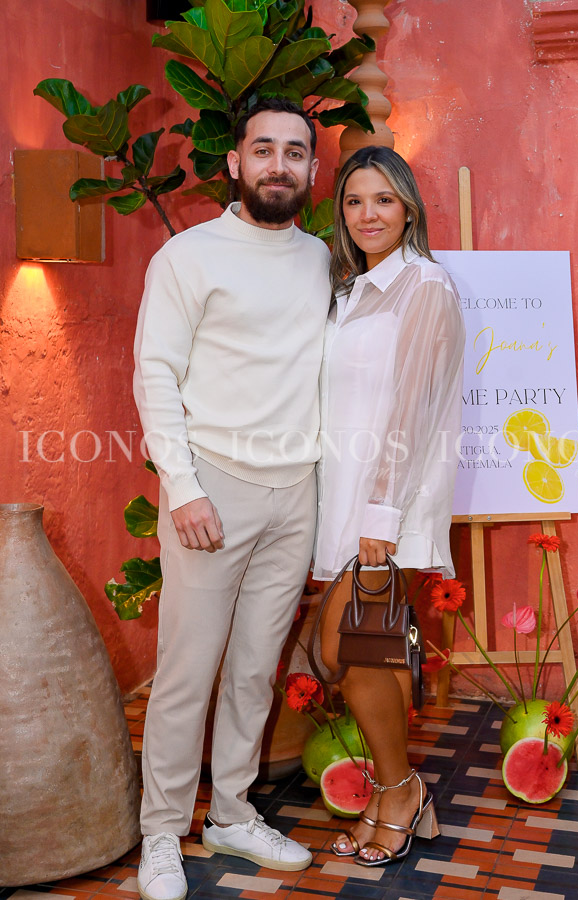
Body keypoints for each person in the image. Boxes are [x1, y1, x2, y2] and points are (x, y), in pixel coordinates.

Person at [133, 98, 331, 900]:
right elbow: (155, 374)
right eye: (264, 149)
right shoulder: (188, 256)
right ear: (234, 162)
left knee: (255, 670)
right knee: (187, 671)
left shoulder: (321, 259)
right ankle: (160, 833)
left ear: (311, 168)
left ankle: (232, 814)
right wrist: (182, 488)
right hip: (211, 487)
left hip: (297, 489)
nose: (278, 165)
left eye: (294, 152)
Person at [312, 146, 465, 867]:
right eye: (353, 200)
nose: (367, 214)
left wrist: (381, 514)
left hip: (385, 502)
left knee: (351, 645)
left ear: (408, 208)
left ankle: (401, 791)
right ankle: (392, 793)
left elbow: (413, 408)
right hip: (339, 493)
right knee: (365, 647)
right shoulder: (349, 291)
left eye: (383, 199)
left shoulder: (425, 286)